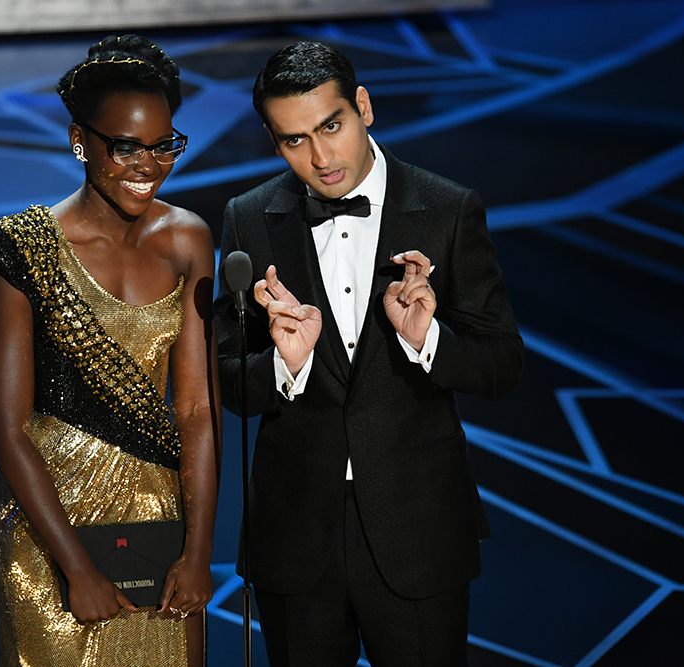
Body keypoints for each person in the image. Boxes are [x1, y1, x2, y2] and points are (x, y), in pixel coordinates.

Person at [214, 41, 523, 667]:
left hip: (419, 533)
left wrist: (425, 341)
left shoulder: (448, 209)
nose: (321, 157)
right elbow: (226, 384)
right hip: (296, 540)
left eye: (331, 126)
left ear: (363, 106)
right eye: (294, 140)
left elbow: (501, 365)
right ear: (274, 143)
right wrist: (286, 366)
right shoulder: (249, 220)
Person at [0, 35, 221, 667]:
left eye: (165, 145)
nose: (150, 164)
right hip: (48, 528)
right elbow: (7, 429)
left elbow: (195, 411)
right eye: (127, 146)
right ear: (81, 140)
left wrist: (197, 554)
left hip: (156, 523)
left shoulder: (188, 240)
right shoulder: (21, 249)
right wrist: (76, 569)